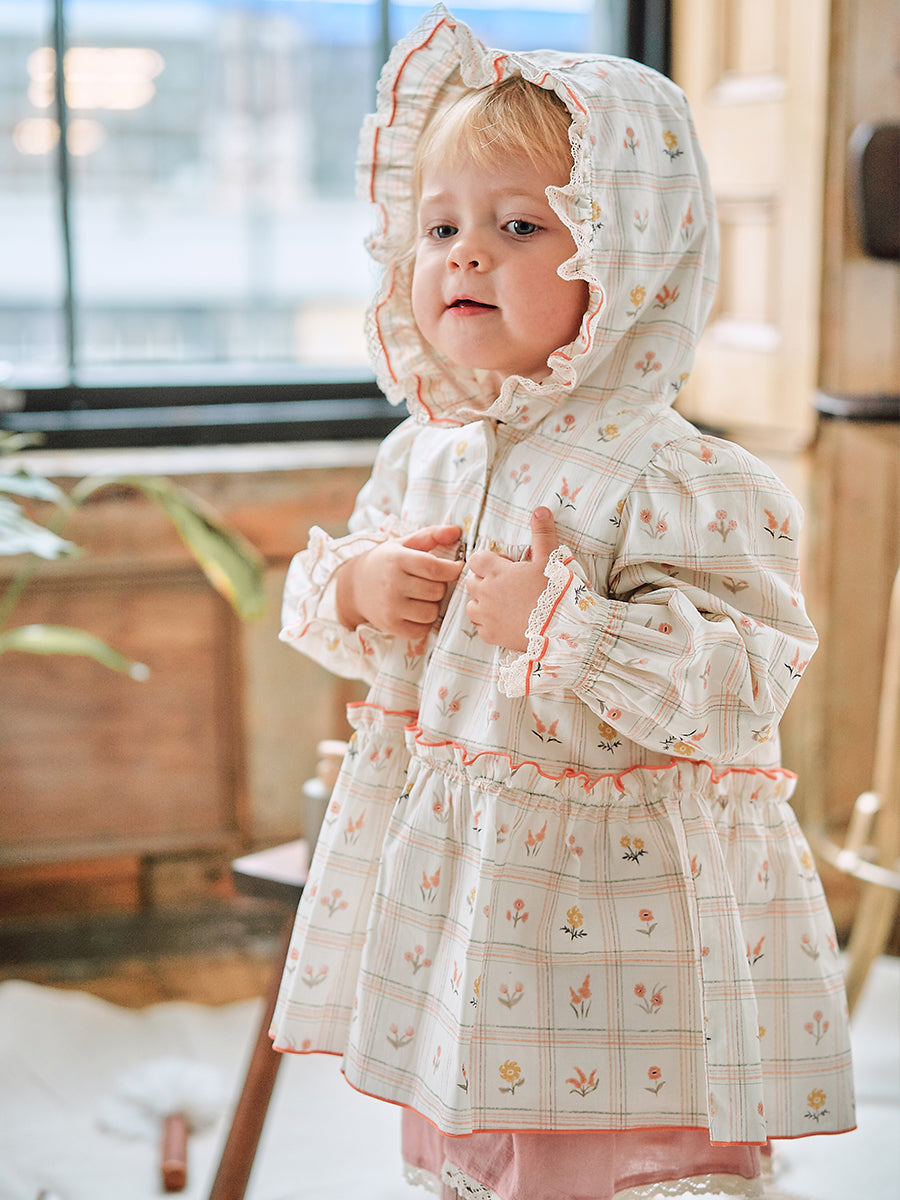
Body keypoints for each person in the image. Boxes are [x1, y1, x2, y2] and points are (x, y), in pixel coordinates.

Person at [271, 8, 855, 1198]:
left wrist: (564, 625)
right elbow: (355, 626)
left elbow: (743, 682)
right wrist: (365, 588)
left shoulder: (680, 478)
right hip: (466, 890)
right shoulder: (430, 452)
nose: (464, 257)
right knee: (474, 1114)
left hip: (612, 900)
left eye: (520, 226)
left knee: (602, 1143)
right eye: (441, 227)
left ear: (629, 255)